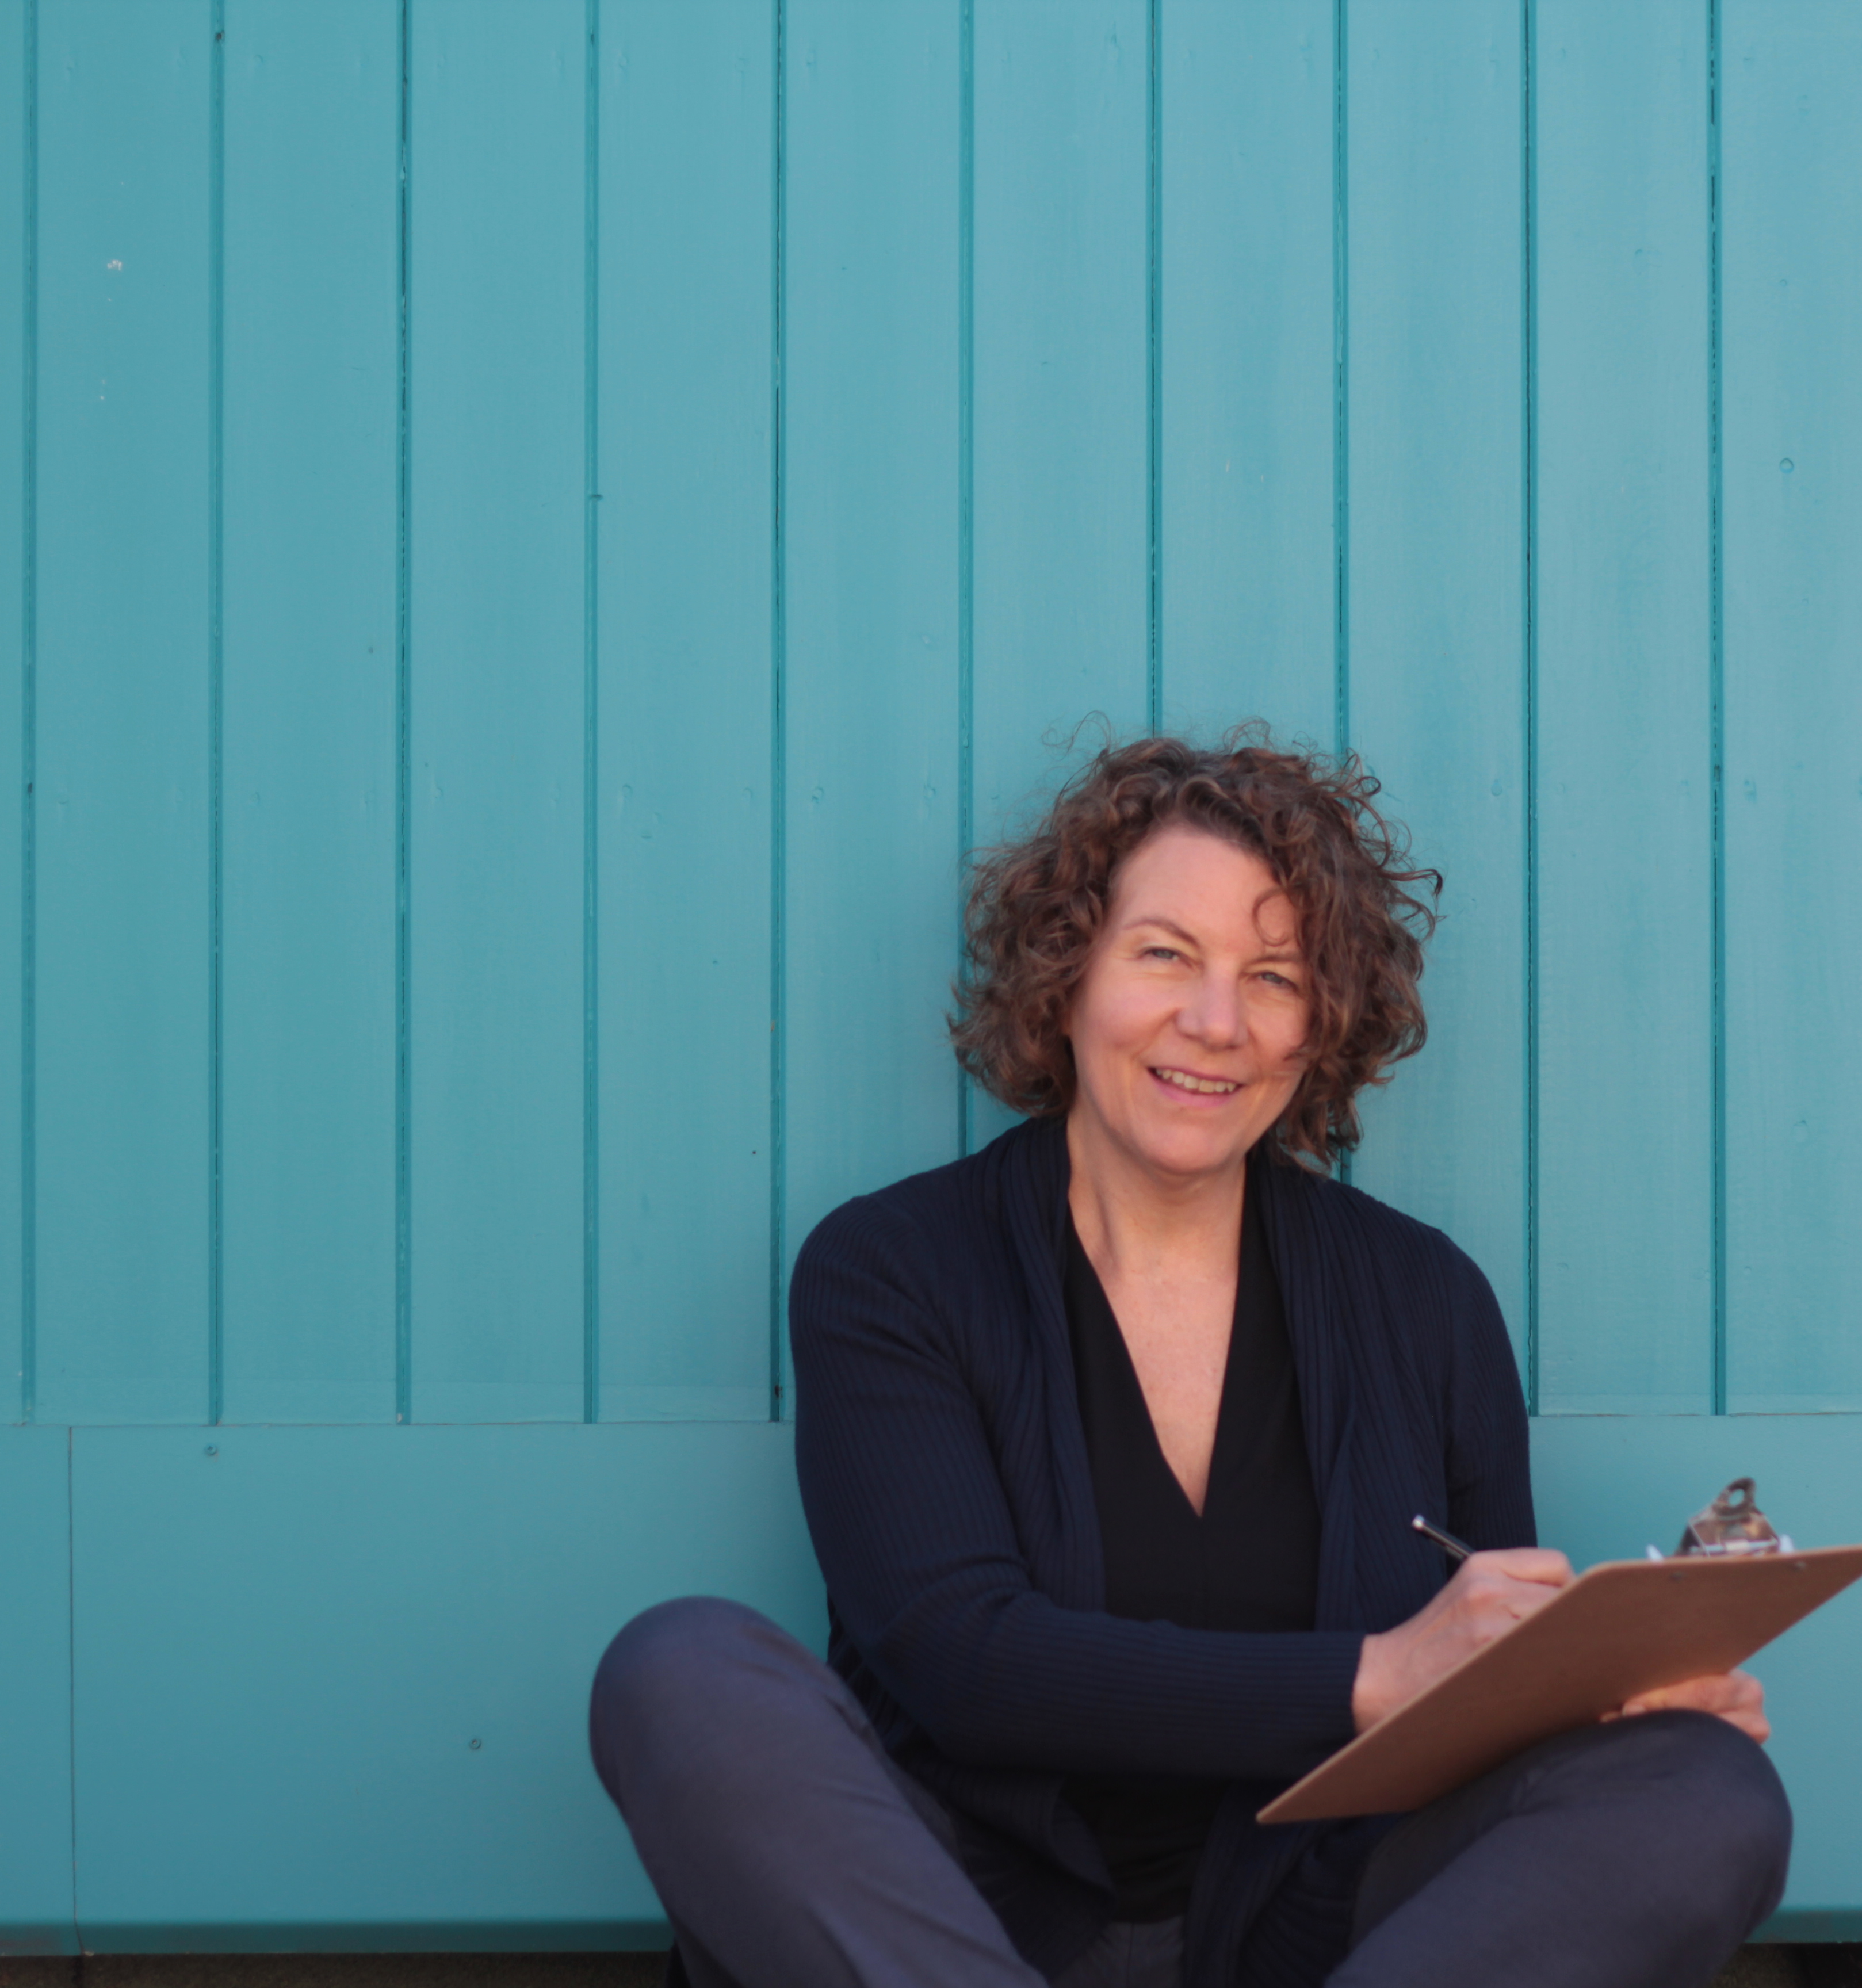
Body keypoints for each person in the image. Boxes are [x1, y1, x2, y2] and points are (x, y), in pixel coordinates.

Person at [590, 734, 1791, 1988]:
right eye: (1164, 954)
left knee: (1702, 1782)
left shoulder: (1427, 1299)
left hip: (1322, 1927)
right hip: (958, 1921)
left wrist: (1594, 1706)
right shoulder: (893, 1267)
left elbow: (1474, 1695)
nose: (1217, 1024)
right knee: (681, 1673)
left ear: (1320, 1024)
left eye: (1274, 977)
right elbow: (962, 1663)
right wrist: (1376, 1674)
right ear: (1066, 974)